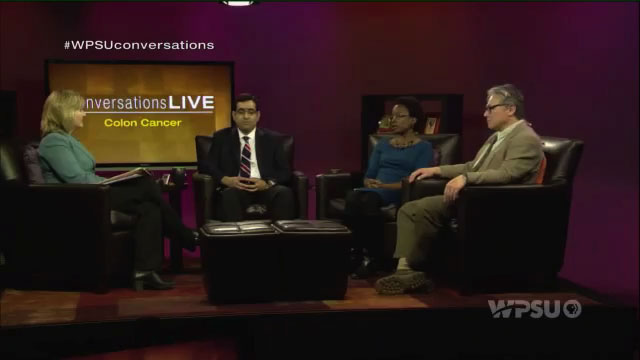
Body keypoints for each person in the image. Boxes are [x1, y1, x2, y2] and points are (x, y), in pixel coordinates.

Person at [375, 84, 544, 295]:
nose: (485, 113)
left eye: (491, 108)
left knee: (416, 209)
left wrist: (466, 178)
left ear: (510, 109)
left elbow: (508, 174)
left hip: (495, 204)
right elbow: (473, 166)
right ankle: (409, 272)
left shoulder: (524, 138)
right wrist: (436, 170)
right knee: (413, 209)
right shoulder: (498, 136)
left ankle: (409, 272)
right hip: (474, 199)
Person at [38, 90, 198, 291]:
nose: (84, 114)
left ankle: (145, 271)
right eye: (79, 109)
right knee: (147, 186)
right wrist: (111, 182)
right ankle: (188, 237)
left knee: (149, 207)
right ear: (64, 112)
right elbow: (76, 179)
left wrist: (113, 180)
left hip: (92, 195)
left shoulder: (70, 140)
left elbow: (86, 176)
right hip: (76, 201)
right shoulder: (53, 141)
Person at [344, 96, 433, 279]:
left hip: (400, 191)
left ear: (413, 120)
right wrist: (369, 181)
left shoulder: (424, 147)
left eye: (399, 116)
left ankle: (371, 257)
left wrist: (384, 185)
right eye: (392, 116)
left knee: (367, 200)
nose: (393, 120)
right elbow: (370, 174)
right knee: (353, 197)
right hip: (375, 190)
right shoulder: (383, 144)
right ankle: (358, 255)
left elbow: (415, 179)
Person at [204, 93, 295, 221]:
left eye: (250, 112)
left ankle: (279, 240)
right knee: (228, 195)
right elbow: (208, 165)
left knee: (284, 193)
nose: (246, 116)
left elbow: (285, 172)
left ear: (258, 116)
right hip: (235, 188)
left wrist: (267, 183)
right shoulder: (221, 138)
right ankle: (238, 240)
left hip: (264, 188)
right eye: (241, 112)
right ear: (234, 115)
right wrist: (225, 179)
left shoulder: (273, 140)